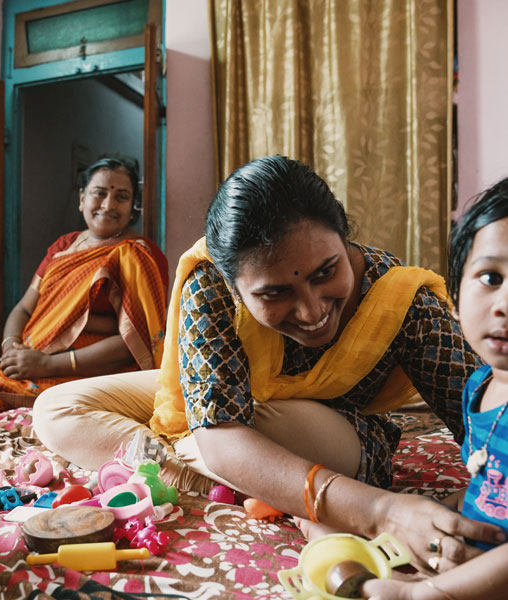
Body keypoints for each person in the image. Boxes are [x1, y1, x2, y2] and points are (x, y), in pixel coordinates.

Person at [33, 155, 504, 571]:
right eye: (275, 293)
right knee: (56, 409)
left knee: (230, 426)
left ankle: (244, 469)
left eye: (327, 273)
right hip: (231, 411)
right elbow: (218, 432)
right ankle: (251, 480)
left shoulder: (404, 301)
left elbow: (487, 412)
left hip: (335, 433)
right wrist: (382, 512)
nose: (312, 310)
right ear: (234, 285)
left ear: (344, 236)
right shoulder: (210, 283)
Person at [359, 178, 508, 599]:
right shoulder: (479, 386)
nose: (504, 304)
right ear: (455, 298)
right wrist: (450, 511)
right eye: (491, 277)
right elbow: (487, 478)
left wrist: (426, 594)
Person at [0, 156, 168, 423]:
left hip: (91, 376)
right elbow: (25, 308)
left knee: (16, 419)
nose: (108, 205)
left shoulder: (141, 255)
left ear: (132, 208)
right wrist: (12, 350)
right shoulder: (65, 246)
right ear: (82, 198)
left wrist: (48, 364)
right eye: (99, 193)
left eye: (121, 197)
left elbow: (140, 339)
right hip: (32, 362)